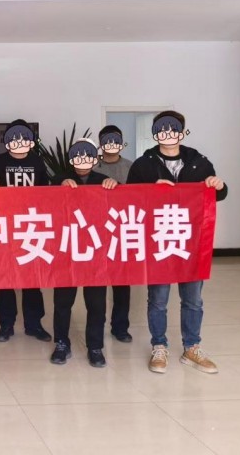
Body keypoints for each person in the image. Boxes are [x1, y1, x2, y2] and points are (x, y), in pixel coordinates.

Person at [127, 110, 227, 374]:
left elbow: (217, 194)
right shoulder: (143, 165)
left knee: (193, 299)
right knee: (158, 299)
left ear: (182, 132)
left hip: (191, 241)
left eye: (173, 129)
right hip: (158, 240)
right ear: (155, 133)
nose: (167, 134)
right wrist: (151, 189)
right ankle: (159, 346)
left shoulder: (199, 162)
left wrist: (218, 185)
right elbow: (129, 198)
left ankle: (191, 347)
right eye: (162, 129)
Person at [50, 138, 118, 368]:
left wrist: (115, 185)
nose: (82, 161)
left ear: (95, 159)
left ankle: (95, 347)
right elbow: (45, 199)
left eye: (87, 156)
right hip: (67, 250)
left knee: (96, 303)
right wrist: (60, 184)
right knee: (62, 302)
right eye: (77, 156)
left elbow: (122, 203)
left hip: (95, 252)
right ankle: (61, 343)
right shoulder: (60, 179)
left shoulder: (103, 180)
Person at [0, 119, 52, 343]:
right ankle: (6, 325)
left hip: (30, 226)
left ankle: (34, 324)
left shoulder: (37, 161)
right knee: (6, 279)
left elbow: (46, 192)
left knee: (31, 280)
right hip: (5, 227)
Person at [94, 124, 134, 343]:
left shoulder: (130, 167)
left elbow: (139, 196)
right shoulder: (91, 164)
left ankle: (120, 327)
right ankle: (97, 327)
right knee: (97, 285)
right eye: (106, 140)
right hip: (96, 232)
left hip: (121, 232)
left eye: (115, 140)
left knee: (121, 285)